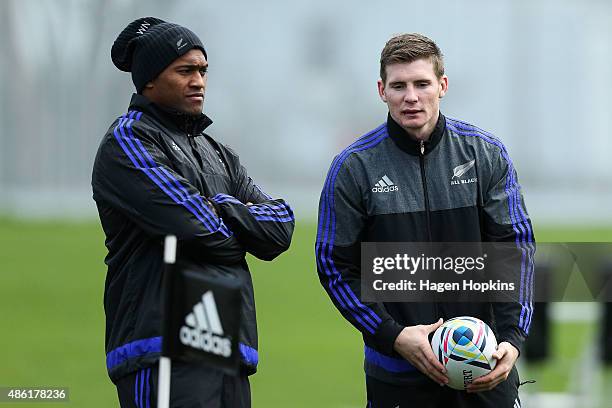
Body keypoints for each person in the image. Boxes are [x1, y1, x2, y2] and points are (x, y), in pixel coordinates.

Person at [315, 33, 534, 407]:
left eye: (422, 83)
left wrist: (512, 339)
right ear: (382, 90)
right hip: (398, 373)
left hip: (484, 365)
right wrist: (392, 335)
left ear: (442, 86)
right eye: (399, 85)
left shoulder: (484, 154)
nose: (411, 96)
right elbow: (334, 266)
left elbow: (515, 248)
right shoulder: (354, 168)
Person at [92, 17, 294, 408]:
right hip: (163, 347)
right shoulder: (129, 140)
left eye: (202, 70)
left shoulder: (218, 152)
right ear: (149, 80)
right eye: (184, 71)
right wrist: (240, 219)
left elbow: (281, 228)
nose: (198, 80)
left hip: (227, 344)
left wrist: (223, 207)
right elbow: (203, 232)